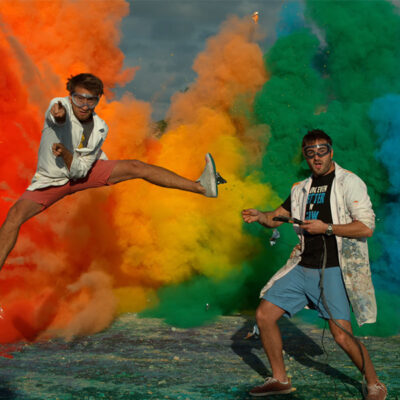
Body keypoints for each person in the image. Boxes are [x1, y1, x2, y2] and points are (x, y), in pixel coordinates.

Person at [0, 73, 225, 271]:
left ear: (98, 100)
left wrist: (67, 154)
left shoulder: (99, 128)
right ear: (70, 96)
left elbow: (79, 171)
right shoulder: (59, 106)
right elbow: (57, 115)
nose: (84, 105)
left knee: (136, 167)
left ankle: (201, 187)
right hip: (51, 180)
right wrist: (58, 116)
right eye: (79, 98)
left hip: (82, 172)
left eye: (91, 100)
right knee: (14, 216)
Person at [242, 130, 387, 399]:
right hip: (301, 267)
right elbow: (277, 217)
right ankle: (280, 379)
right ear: (305, 156)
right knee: (264, 315)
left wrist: (326, 228)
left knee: (341, 335)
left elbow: (366, 227)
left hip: (331, 268)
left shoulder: (349, 182)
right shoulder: (301, 188)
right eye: (310, 153)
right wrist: (261, 216)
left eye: (322, 151)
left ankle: (374, 383)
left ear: (331, 152)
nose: (316, 157)